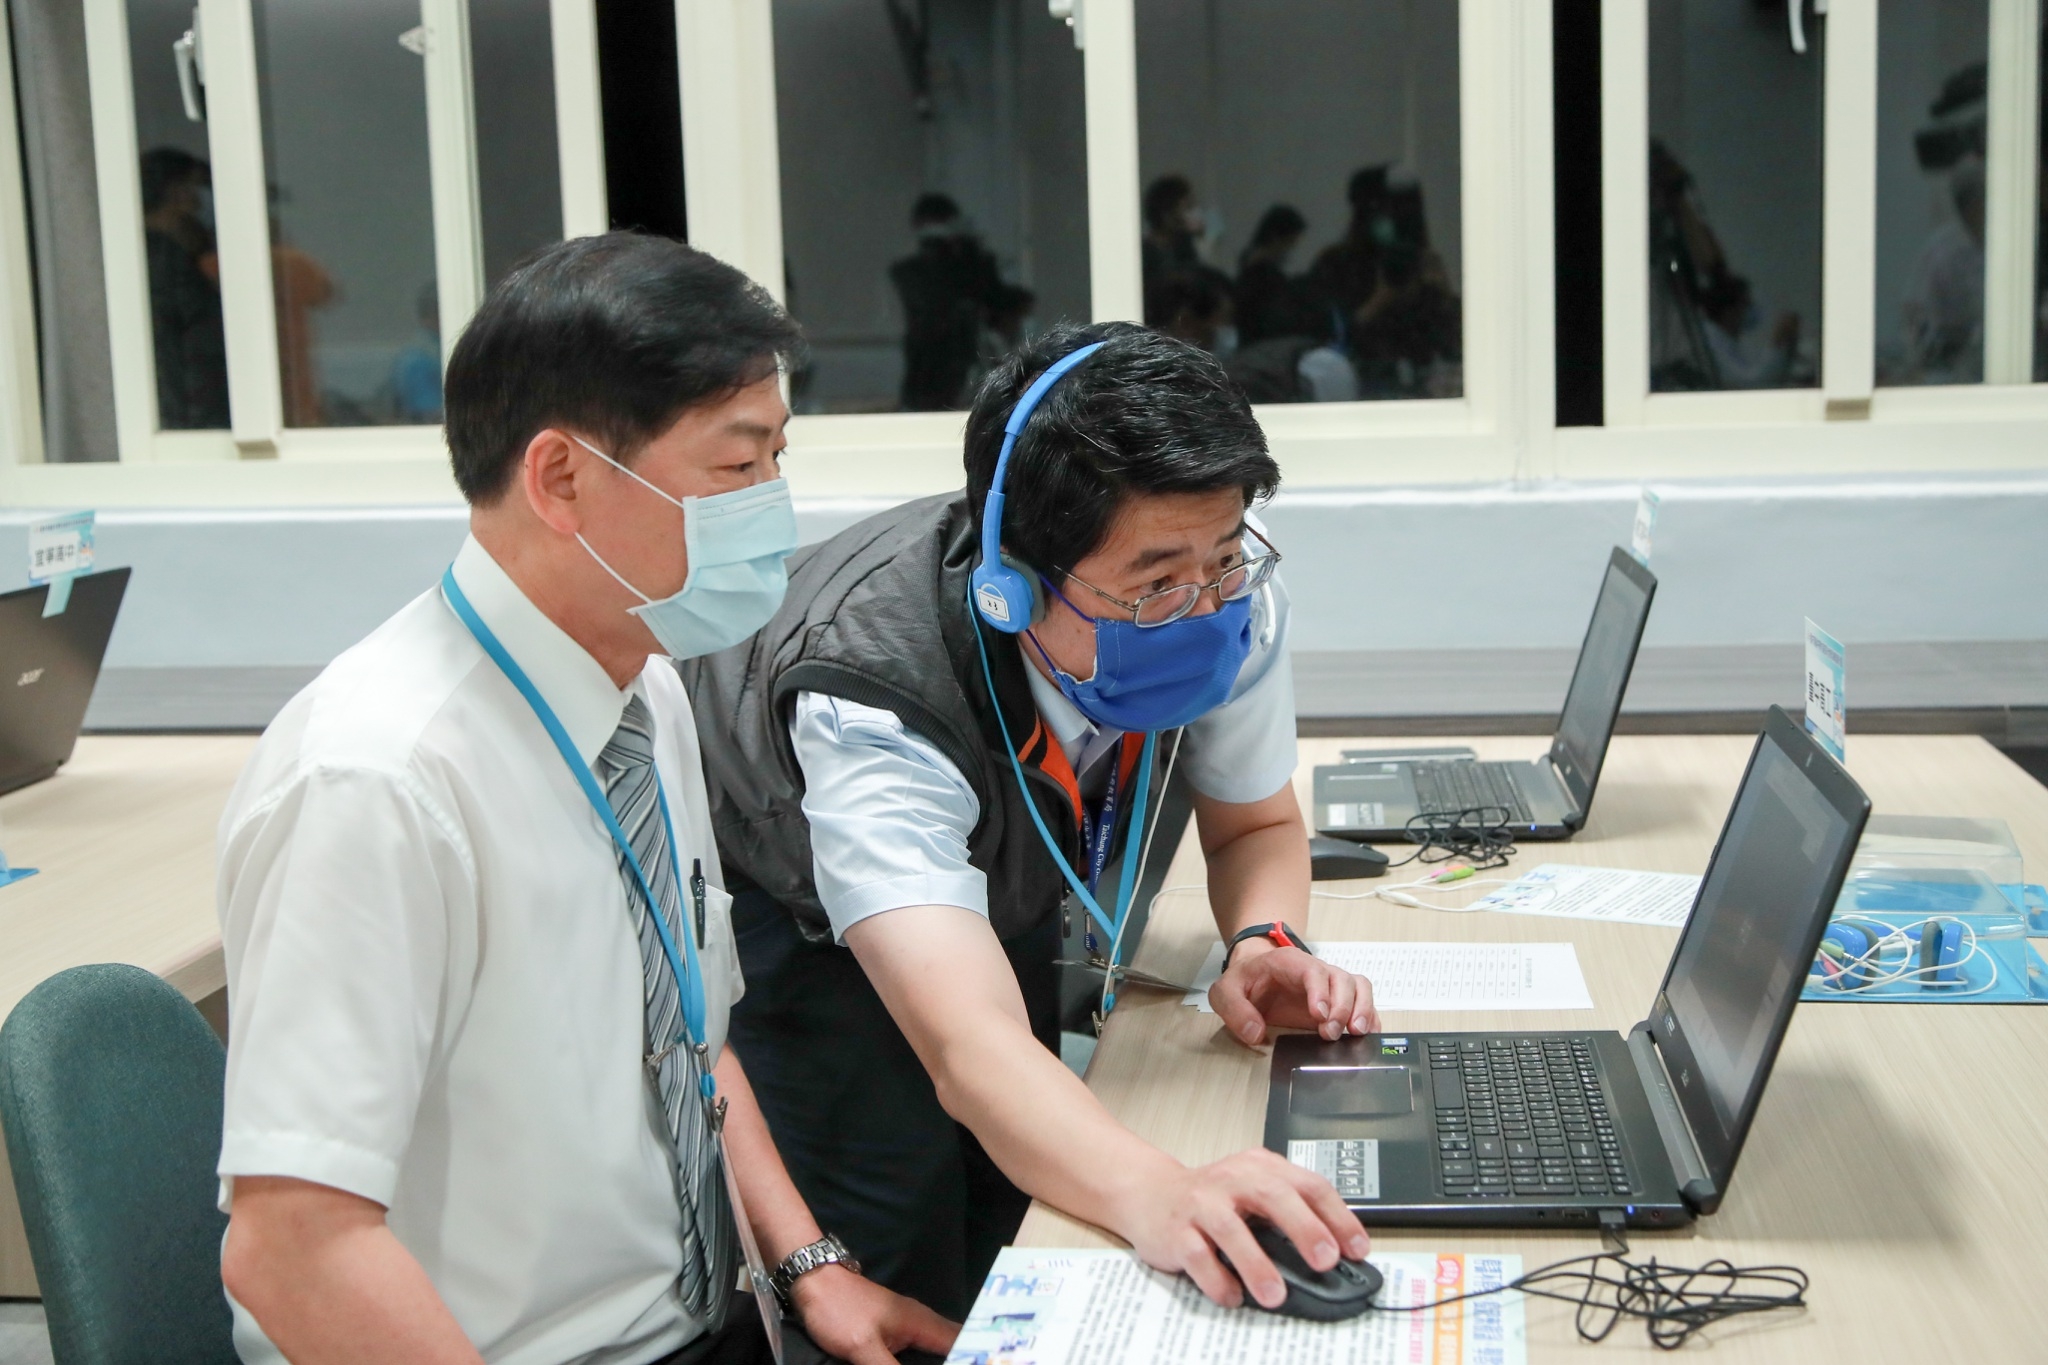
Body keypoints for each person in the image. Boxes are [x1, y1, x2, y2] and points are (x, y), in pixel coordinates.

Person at [215, 233, 954, 1365]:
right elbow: (292, 1247)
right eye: (736, 467)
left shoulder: (643, 691)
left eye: (777, 460)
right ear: (560, 479)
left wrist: (810, 1264)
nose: (772, 507)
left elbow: (694, 1045)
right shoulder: (377, 778)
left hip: (706, 1323)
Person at [685, 321, 1381, 1324]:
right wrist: (1164, 1194)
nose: (1201, 609)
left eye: (1225, 557)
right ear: (1011, 587)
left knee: (1028, 1191)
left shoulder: (1223, 596)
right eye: (1154, 585)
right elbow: (968, 1046)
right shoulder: (872, 695)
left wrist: (1263, 939)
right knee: (898, 1231)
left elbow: (1254, 827)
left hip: (994, 871)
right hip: (794, 904)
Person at [889, 193, 1034, 412]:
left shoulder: (969, 267)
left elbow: (997, 302)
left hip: (963, 366)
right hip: (928, 370)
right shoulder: (909, 273)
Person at [138, 147, 230, 429]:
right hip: (185, 422)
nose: (200, 206)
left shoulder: (158, 257)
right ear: (176, 194)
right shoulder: (164, 261)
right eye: (197, 192)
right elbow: (193, 346)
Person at [1140, 174, 1204, 293]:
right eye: (1187, 207)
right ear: (1167, 214)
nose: (1193, 214)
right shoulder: (1144, 254)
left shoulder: (1184, 247)